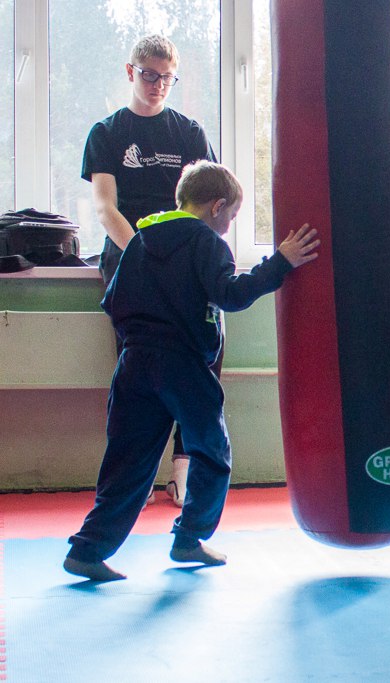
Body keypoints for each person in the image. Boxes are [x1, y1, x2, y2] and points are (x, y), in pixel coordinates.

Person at [63, 161, 319, 581]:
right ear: (217, 207)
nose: (228, 227)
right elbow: (230, 295)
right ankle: (189, 538)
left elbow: (113, 301)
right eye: (232, 217)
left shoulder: (141, 239)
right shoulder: (207, 243)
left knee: (127, 459)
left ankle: (88, 548)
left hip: (134, 364)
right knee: (210, 452)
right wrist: (280, 263)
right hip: (182, 365)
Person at [82, 34, 219, 507]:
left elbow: (207, 206)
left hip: (185, 259)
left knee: (201, 356)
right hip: (130, 256)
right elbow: (105, 208)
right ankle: (132, 478)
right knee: (137, 367)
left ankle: (183, 469)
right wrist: (146, 253)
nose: (158, 84)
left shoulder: (189, 134)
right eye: (149, 75)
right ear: (130, 72)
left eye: (167, 77)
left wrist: (181, 257)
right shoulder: (107, 133)